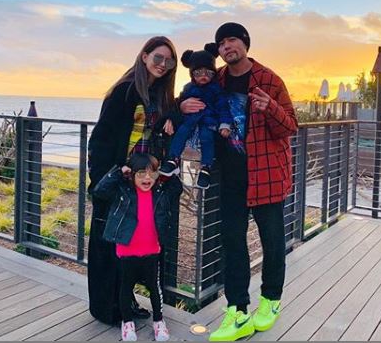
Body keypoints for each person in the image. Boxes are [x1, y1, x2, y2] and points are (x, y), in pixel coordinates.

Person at [181, 23, 298, 341]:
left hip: (266, 175)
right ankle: (238, 311)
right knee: (232, 242)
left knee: (272, 241)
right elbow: (192, 97)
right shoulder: (215, 78)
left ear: (245, 43)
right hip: (230, 177)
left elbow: (290, 126)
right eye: (221, 43)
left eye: (232, 40)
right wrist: (181, 106)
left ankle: (271, 301)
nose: (226, 47)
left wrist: (270, 107)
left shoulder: (269, 79)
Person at [87, 36, 178, 326]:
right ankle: (106, 308)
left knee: (132, 244)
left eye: (169, 61)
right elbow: (101, 138)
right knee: (108, 244)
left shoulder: (159, 95)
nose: (163, 64)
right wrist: (101, 178)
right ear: (144, 56)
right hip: (118, 178)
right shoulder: (124, 91)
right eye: (158, 57)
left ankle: (125, 303)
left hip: (143, 181)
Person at [91, 153, 184, 341]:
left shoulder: (159, 193)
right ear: (132, 174)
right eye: (141, 173)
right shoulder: (123, 192)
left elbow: (177, 188)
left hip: (151, 251)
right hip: (127, 250)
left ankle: (159, 321)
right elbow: (100, 191)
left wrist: (169, 172)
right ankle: (127, 323)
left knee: (154, 288)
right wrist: (118, 172)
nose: (147, 178)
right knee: (126, 288)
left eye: (152, 173)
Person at [159, 44, 232, 189]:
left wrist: (225, 124)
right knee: (181, 134)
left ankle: (206, 168)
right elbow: (177, 103)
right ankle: (173, 159)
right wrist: (175, 114)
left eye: (208, 73)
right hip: (190, 121)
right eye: (198, 73)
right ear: (192, 74)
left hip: (208, 122)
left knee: (207, 139)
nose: (204, 76)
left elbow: (223, 107)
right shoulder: (188, 88)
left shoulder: (216, 89)